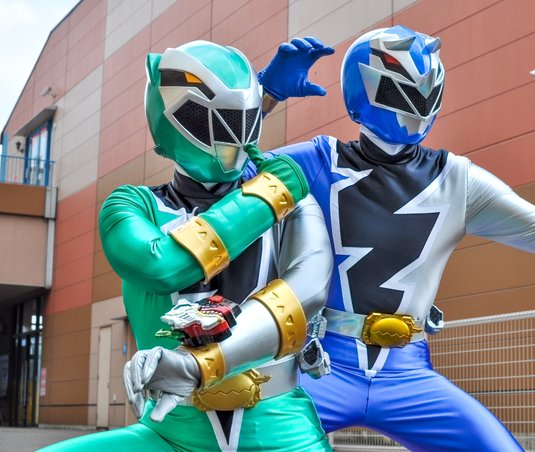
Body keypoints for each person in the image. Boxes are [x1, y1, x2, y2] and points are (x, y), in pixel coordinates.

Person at [256, 26, 535, 451]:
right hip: (322, 367)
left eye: (423, 90)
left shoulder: (457, 179)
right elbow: (230, 176)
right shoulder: (318, 162)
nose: (415, 103)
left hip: (407, 373)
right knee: (235, 436)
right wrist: (263, 95)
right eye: (401, 91)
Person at [42, 39, 335, 451]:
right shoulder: (133, 204)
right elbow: (162, 266)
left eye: (242, 118)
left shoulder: (291, 200)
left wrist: (197, 365)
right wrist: (270, 193)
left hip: (280, 426)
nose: (233, 135)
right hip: (169, 429)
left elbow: (306, 294)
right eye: (210, 119)